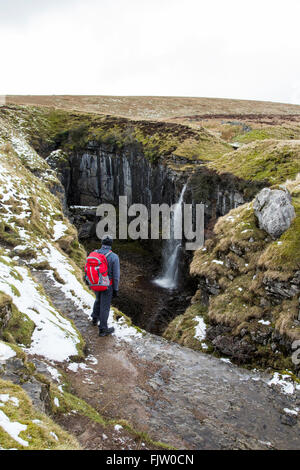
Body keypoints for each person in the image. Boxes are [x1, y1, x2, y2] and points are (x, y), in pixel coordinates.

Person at [91, 234, 120, 336]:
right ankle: (103, 329)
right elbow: (116, 276)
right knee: (105, 306)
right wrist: (116, 289)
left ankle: (94, 319)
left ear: (102, 243)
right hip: (108, 285)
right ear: (111, 244)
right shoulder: (114, 257)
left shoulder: (95, 253)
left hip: (96, 282)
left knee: (98, 300)